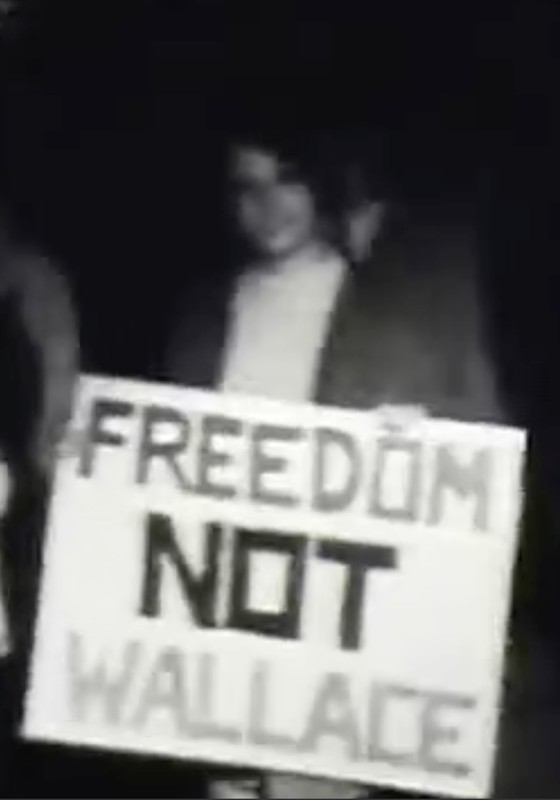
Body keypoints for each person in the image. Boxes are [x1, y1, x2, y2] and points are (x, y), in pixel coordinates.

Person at [164, 130, 505, 799]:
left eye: (285, 178)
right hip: (222, 613)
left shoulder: (392, 304)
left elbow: (479, 445)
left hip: (335, 625)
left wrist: (430, 438)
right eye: (245, 187)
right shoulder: (202, 310)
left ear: (318, 183)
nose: (267, 204)